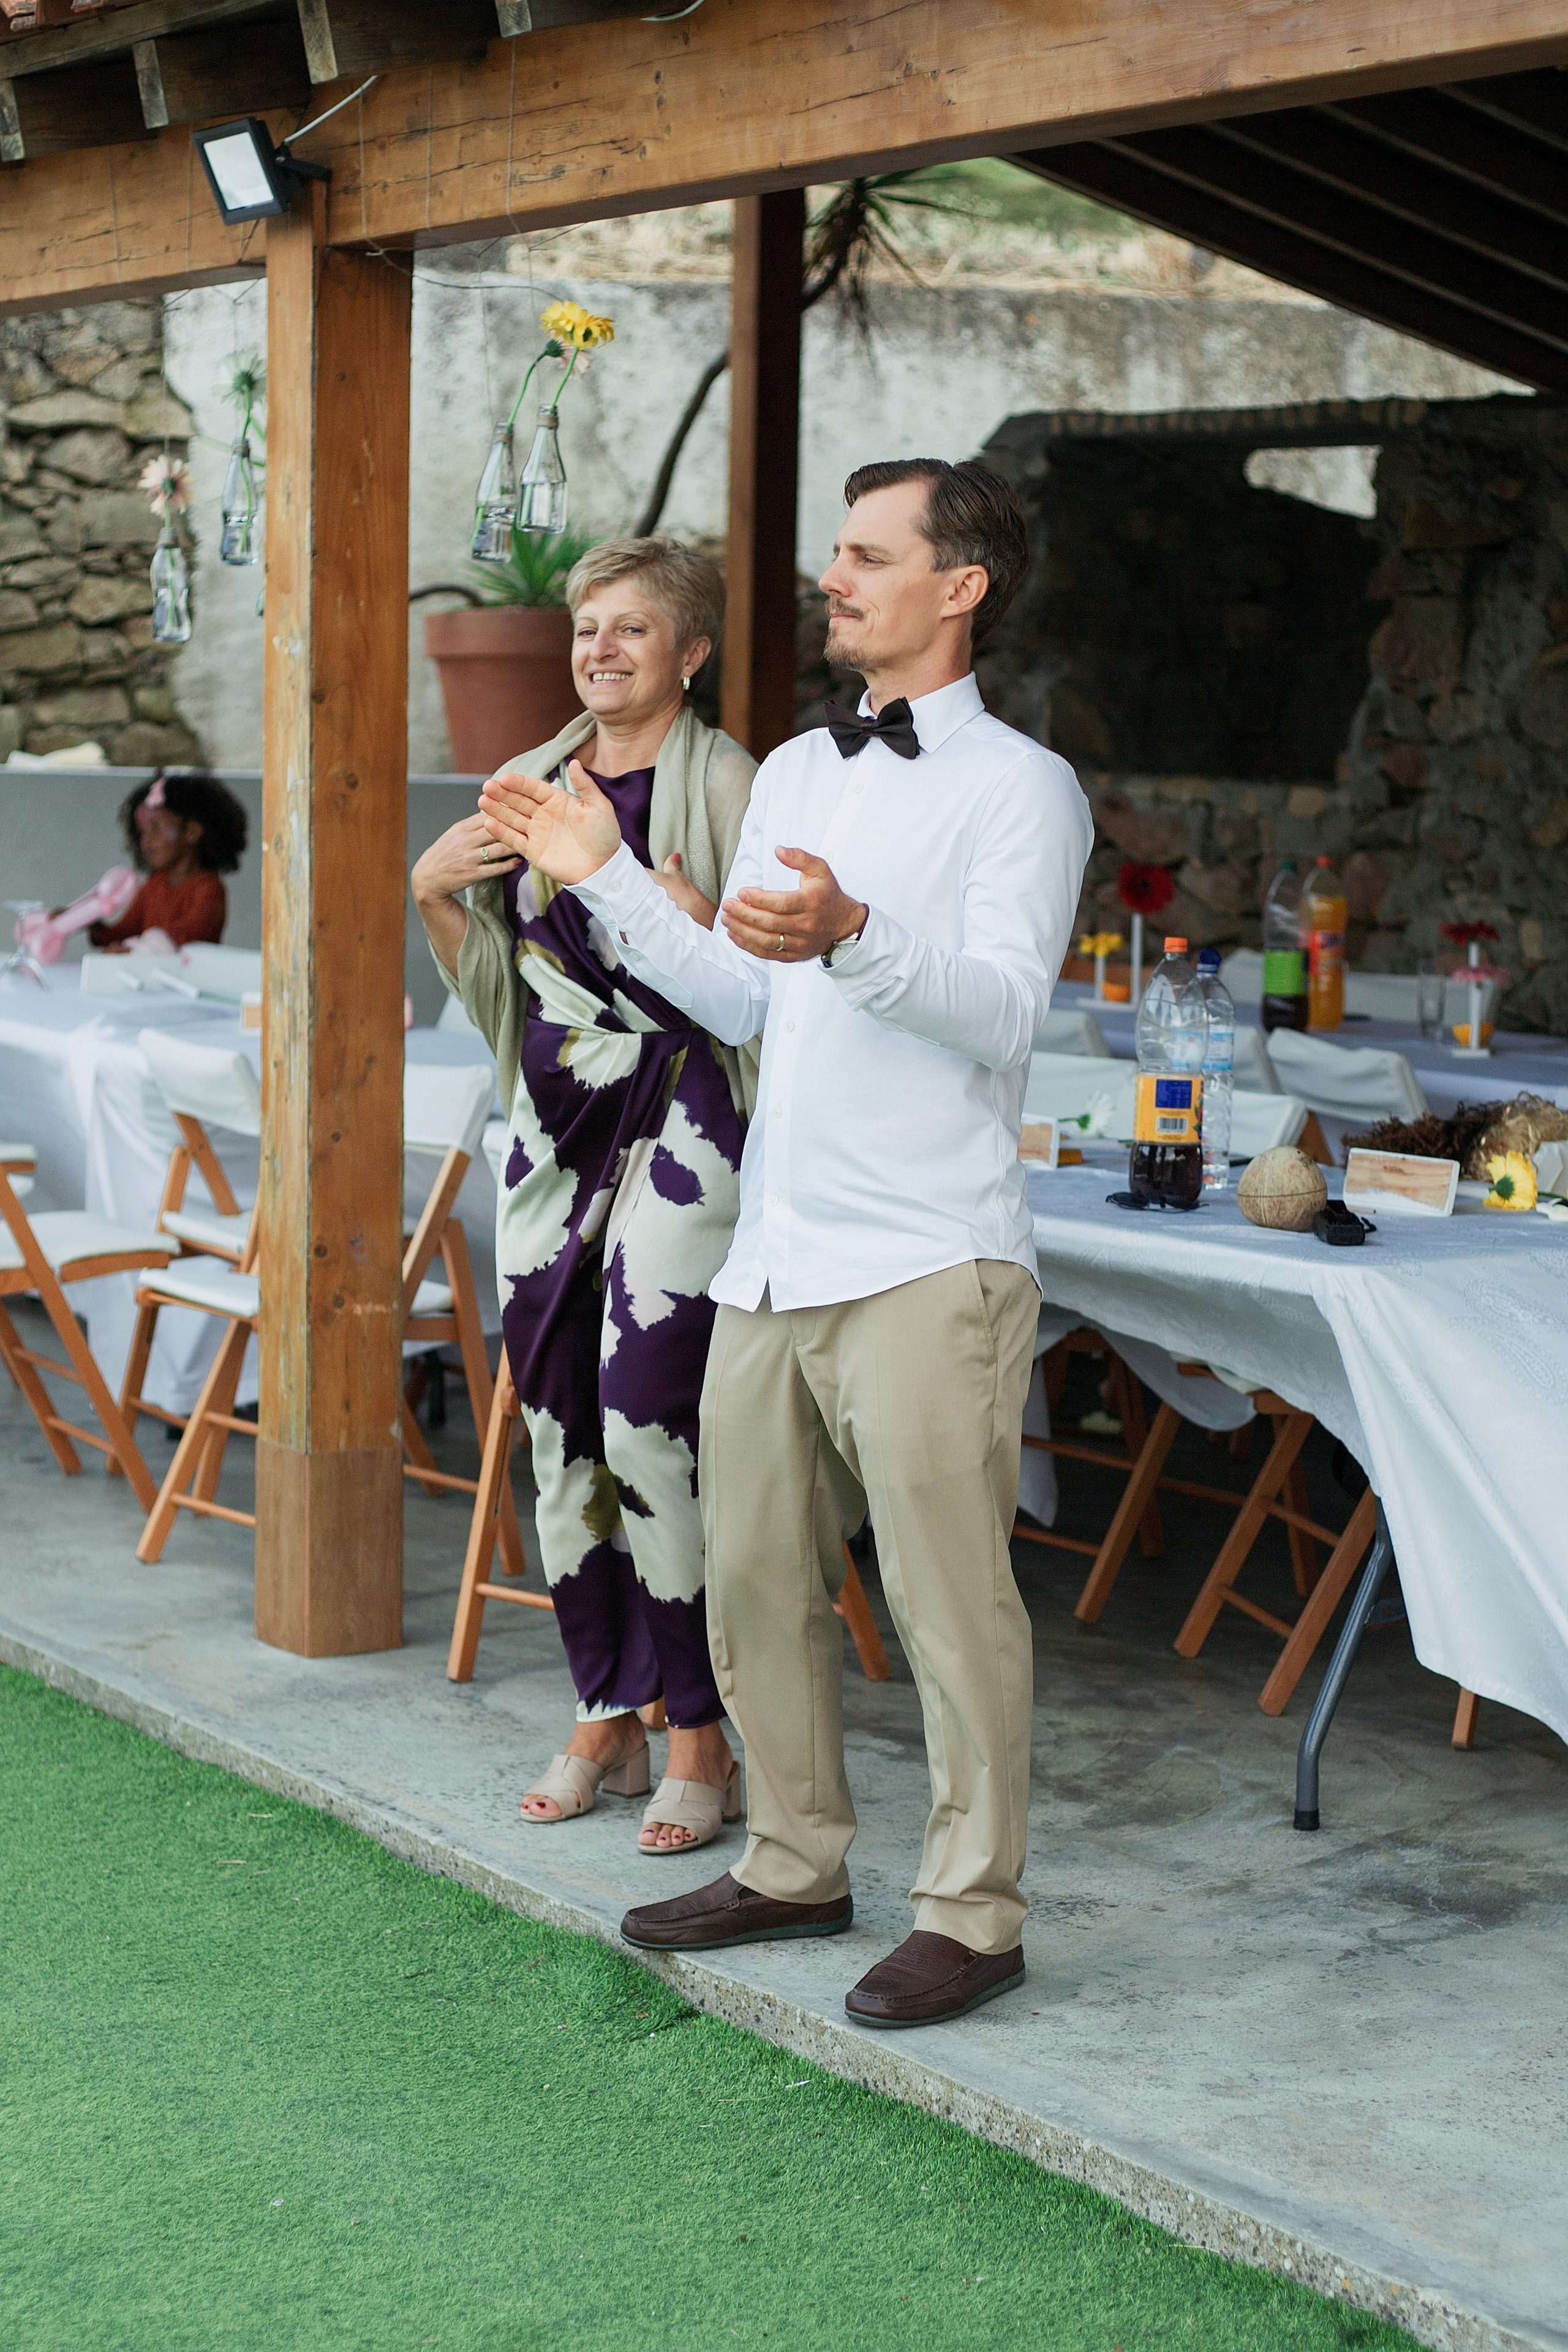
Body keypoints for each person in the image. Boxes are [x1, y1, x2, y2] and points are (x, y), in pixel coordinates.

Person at [480, 459, 1093, 2030]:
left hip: (926, 1248)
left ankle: (973, 1909)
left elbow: (1007, 1013)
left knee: (952, 1604)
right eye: (834, 554)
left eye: (867, 557)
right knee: (753, 1575)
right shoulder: (804, 775)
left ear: (957, 587)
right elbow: (742, 1001)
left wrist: (856, 937)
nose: (834, 579)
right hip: (771, 1249)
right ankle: (793, 1858)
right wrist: (600, 875)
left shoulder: (1021, 784)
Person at [412, 537, 760, 1855]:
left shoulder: (727, 783)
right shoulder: (529, 788)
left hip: (685, 1125)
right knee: (555, 1419)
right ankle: (604, 1704)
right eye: (585, 630)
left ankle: (697, 1732)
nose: (600, 650)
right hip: (550, 1133)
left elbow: (764, 995)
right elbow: (507, 991)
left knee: (643, 1419)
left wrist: (690, 915)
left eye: (631, 630)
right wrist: (434, 899)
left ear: (690, 654)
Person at [91, 771, 248, 950]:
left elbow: (180, 940)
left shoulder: (209, 889)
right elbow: (123, 932)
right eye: (142, 832)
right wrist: (85, 920)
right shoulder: (154, 884)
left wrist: (131, 951)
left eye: (156, 827)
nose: (146, 840)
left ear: (192, 832)